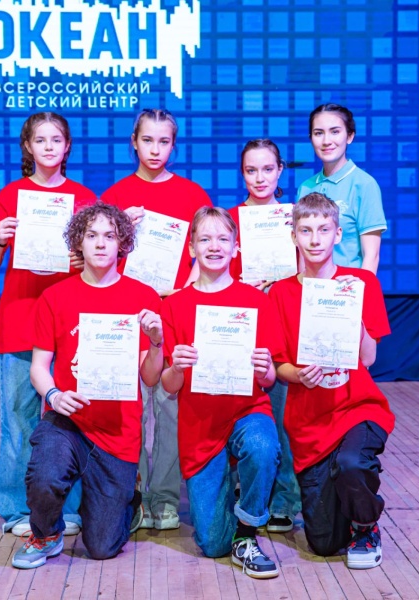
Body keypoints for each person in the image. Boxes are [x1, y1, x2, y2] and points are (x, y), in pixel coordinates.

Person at [12, 202, 163, 569]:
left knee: (102, 547)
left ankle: (127, 499)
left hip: (118, 430)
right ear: (78, 242)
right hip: (68, 421)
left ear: (122, 243)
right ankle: (46, 535)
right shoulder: (55, 297)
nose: (100, 243)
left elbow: (150, 377)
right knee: (44, 476)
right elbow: (39, 368)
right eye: (91, 235)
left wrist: (157, 342)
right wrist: (53, 395)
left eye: (109, 236)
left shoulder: (143, 297)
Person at [0, 112, 93, 537]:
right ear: (27, 146)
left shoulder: (82, 197)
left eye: (56, 139)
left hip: (70, 323)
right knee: (18, 420)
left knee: (72, 419)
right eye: (40, 139)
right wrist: (0, 240)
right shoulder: (12, 195)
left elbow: (99, 264)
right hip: (20, 320)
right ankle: (15, 509)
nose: (48, 146)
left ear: (67, 146)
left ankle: (70, 508)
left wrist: (83, 259)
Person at [269, 193, 394, 569]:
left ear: (338, 234)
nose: (315, 239)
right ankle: (343, 499)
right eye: (306, 230)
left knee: (353, 462)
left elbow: (368, 358)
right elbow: (279, 365)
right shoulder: (281, 292)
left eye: (324, 230)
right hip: (310, 422)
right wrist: (298, 374)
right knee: (323, 544)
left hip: (357, 408)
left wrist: (351, 309)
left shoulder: (361, 283)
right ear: (294, 236)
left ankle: (366, 526)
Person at [100, 108, 212, 530]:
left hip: (174, 310)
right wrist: (119, 229)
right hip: (125, 313)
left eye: (164, 141)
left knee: (168, 409)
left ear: (174, 145)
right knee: (130, 408)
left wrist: (187, 288)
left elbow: (205, 254)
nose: (155, 149)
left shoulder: (192, 194)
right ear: (134, 141)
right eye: (147, 140)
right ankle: (130, 496)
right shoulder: (115, 195)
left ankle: (163, 499)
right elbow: (100, 258)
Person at [161, 207, 281, 579]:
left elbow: (269, 380)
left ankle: (247, 532)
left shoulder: (257, 301)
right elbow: (168, 385)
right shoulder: (174, 305)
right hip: (200, 427)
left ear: (236, 248)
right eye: (205, 239)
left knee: (262, 446)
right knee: (212, 544)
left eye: (223, 239)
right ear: (191, 249)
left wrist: (264, 368)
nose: (214, 246)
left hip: (247, 411)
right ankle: (229, 492)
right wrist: (177, 367)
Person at [226, 139, 300, 534]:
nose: (260, 178)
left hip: (284, 330)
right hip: (240, 332)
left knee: (285, 419)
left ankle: (285, 499)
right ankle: (243, 490)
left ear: (280, 170)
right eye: (251, 170)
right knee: (242, 416)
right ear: (242, 173)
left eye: (267, 169)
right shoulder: (230, 221)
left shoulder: (294, 220)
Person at [297, 103, 387, 274]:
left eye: (335, 132)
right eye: (318, 133)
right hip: (311, 287)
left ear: (350, 136)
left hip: (348, 287)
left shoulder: (364, 185)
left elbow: (372, 256)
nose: (326, 141)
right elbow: (303, 255)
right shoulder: (305, 188)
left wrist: (361, 287)